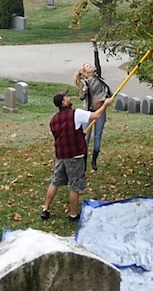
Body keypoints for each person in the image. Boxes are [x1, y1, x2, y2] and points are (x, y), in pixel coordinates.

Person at [41, 90, 113, 222]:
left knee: (55, 181)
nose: (69, 98)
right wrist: (106, 104)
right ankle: (73, 214)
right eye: (66, 97)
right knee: (75, 186)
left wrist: (80, 135)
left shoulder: (54, 120)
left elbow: (63, 136)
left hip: (60, 156)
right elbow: (96, 115)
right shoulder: (76, 113)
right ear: (63, 102)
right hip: (75, 156)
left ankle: (45, 209)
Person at [73, 39, 112, 171]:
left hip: (101, 111)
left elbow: (97, 62)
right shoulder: (85, 82)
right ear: (84, 71)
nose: (90, 66)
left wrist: (95, 47)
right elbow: (82, 97)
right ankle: (83, 163)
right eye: (87, 66)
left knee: (97, 136)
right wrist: (84, 92)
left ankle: (94, 161)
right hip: (89, 113)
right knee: (86, 137)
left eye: (90, 65)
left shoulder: (98, 77)